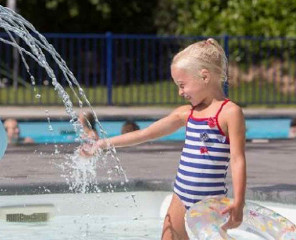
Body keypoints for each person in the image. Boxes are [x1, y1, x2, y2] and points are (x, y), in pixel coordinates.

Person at [80, 38, 246, 240]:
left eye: (182, 85)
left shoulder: (229, 113)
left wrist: (239, 202)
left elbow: (238, 159)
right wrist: (101, 144)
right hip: (181, 196)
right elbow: (145, 134)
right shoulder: (187, 114)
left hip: (210, 201)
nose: (180, 92)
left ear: (205, 77)